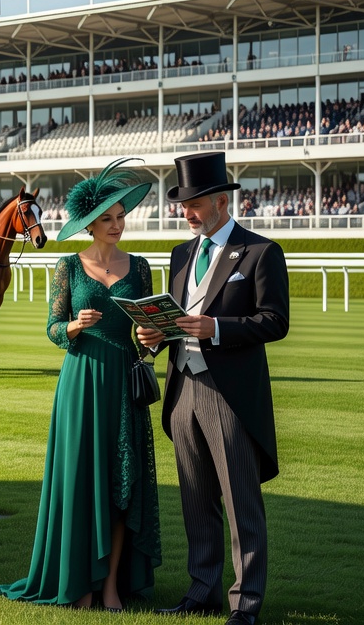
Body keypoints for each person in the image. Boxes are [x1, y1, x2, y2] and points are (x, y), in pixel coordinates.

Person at [0, 158, 161, 611]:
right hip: (80, 381)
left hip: (124, 380)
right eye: (107, 219)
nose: (117, 225)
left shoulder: (141, 267)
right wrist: (72, 326)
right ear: (89, 224)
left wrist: (153, 338)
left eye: (120, 216)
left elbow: (149, 332)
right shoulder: (67, 266)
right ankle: (80, 583)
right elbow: (51, 327)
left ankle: (109, 586)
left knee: (121, 483)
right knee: (81, 482)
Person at [138, 152, 288, 625]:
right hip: (182, 387)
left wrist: (216, 328)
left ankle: (245, 604)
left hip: (229, 396)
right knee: (195, 498)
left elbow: (275, 322)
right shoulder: (181, 253)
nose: (186, 212)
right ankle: (202, 590)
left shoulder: (261, 251)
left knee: (242, 502)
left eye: (194, 203)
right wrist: (157, 334)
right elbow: (178, 318)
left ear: (221, 202)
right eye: (182, 203)